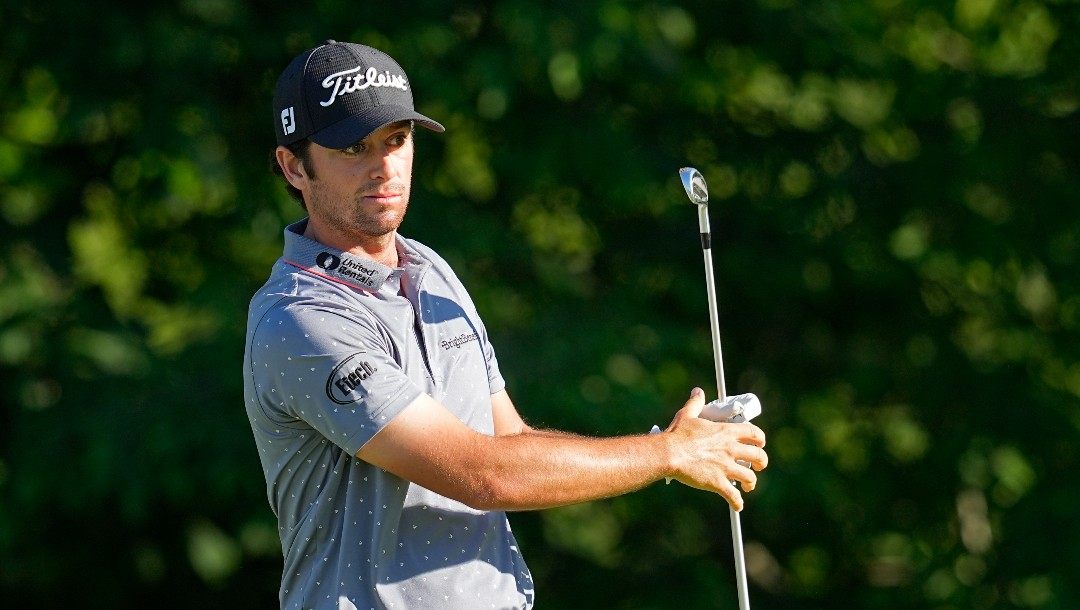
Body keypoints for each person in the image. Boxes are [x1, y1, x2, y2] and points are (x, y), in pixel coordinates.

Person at [244, 39, 768, 610]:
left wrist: (660, 447)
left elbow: (509, 441)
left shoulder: (430, 271)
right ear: (294, 166)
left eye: (397, 140)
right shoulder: (299, 318)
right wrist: (667, 454)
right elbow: (479, 474)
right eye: (353, 147)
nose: (385, 167)